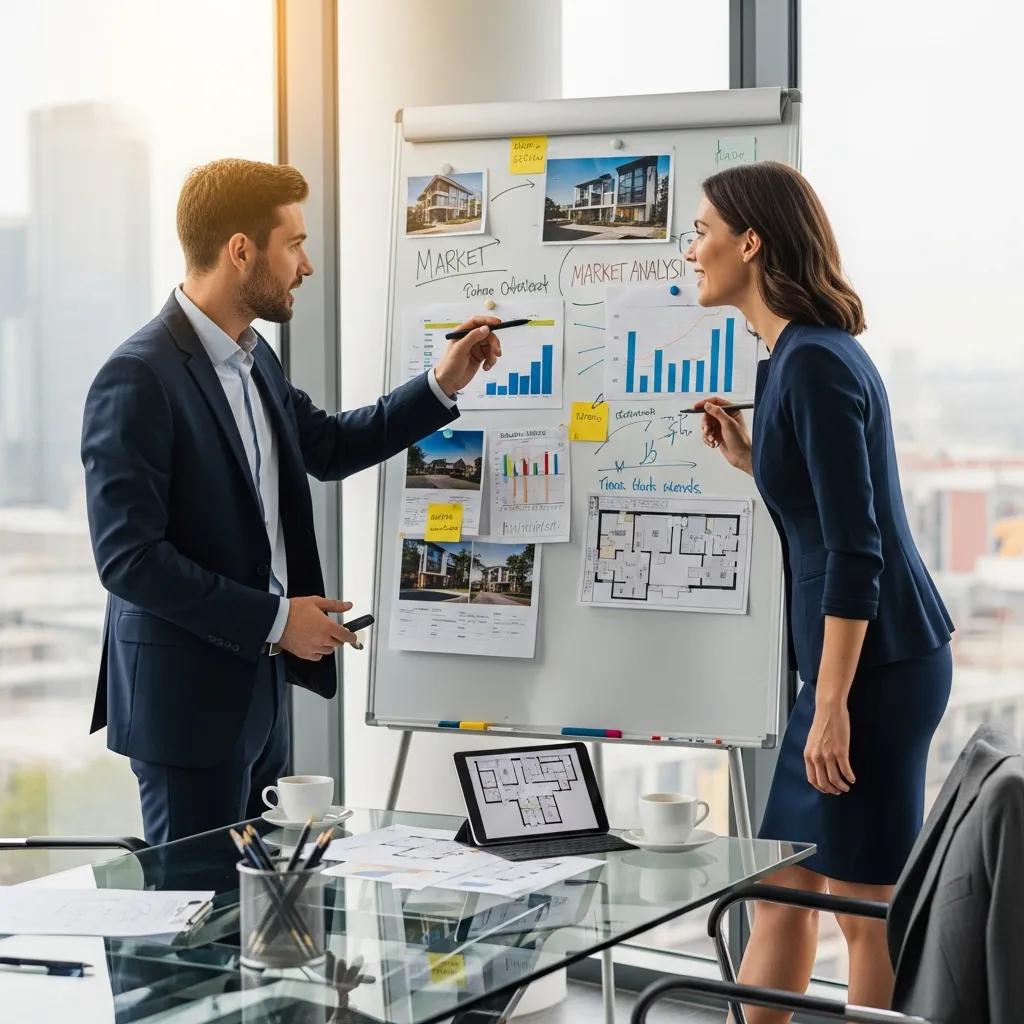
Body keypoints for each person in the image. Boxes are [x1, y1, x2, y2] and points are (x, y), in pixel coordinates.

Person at [81, 158, 501, 845]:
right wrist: (278, 619)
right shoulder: (137, 377)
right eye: (295, 244)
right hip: (185, 707)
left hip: (261, 692)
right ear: (240, 251)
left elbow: (329, 446)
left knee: (263, 900)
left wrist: (442, 382)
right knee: (196, 902)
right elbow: (130, 560)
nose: (305, 266)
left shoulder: (254, 359)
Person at [687, 161, 953, 1020]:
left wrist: (832, 701)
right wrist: (749, 458)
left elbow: (855, 548)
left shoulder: (815, 364)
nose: (691, 250)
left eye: (702, 231)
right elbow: (816, 508)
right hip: (846, 668)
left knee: (863, 912)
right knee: (782, 894)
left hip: (874, 670)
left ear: (750, 243)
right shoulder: (787, 360)